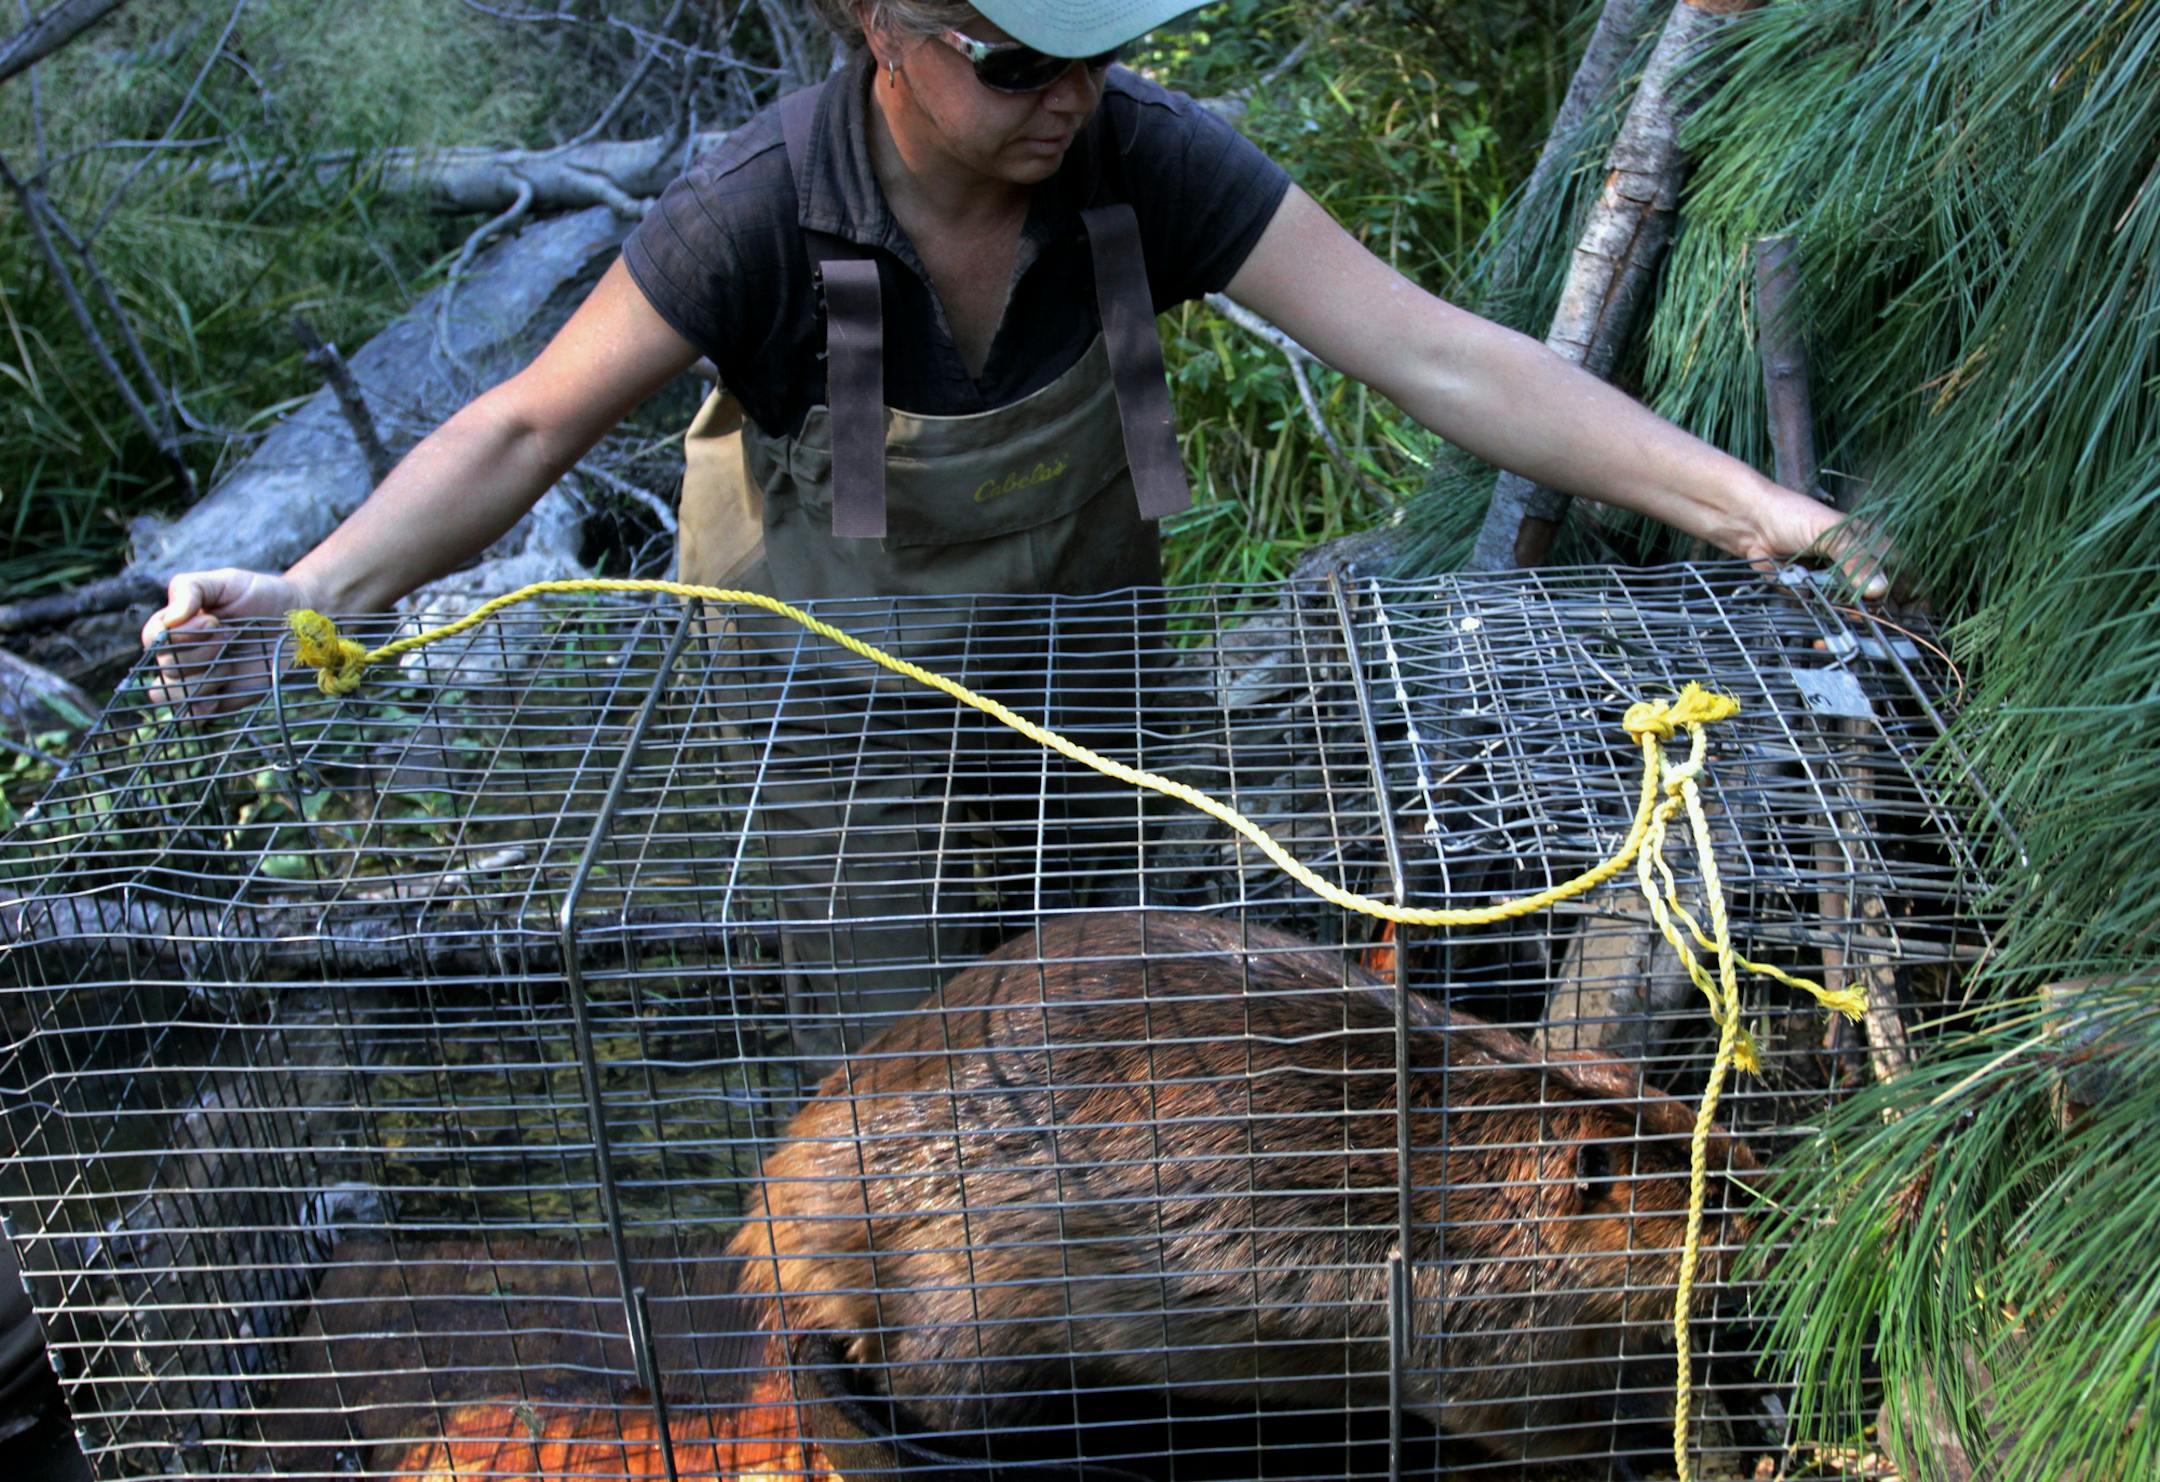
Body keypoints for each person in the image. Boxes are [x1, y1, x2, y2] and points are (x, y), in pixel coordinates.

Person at [142, 0, 1869, 1063]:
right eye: (1020, 58)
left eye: (1101, 51)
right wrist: (308, 590)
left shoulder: (1148, 164)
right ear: (879, 25)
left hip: (1085, 666)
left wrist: (1750, 505)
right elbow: (522, 422)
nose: (1072, 95)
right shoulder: (756, 211)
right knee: (905, 1076)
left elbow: (1436, 350)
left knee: (1137, 1012)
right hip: (833, 714)